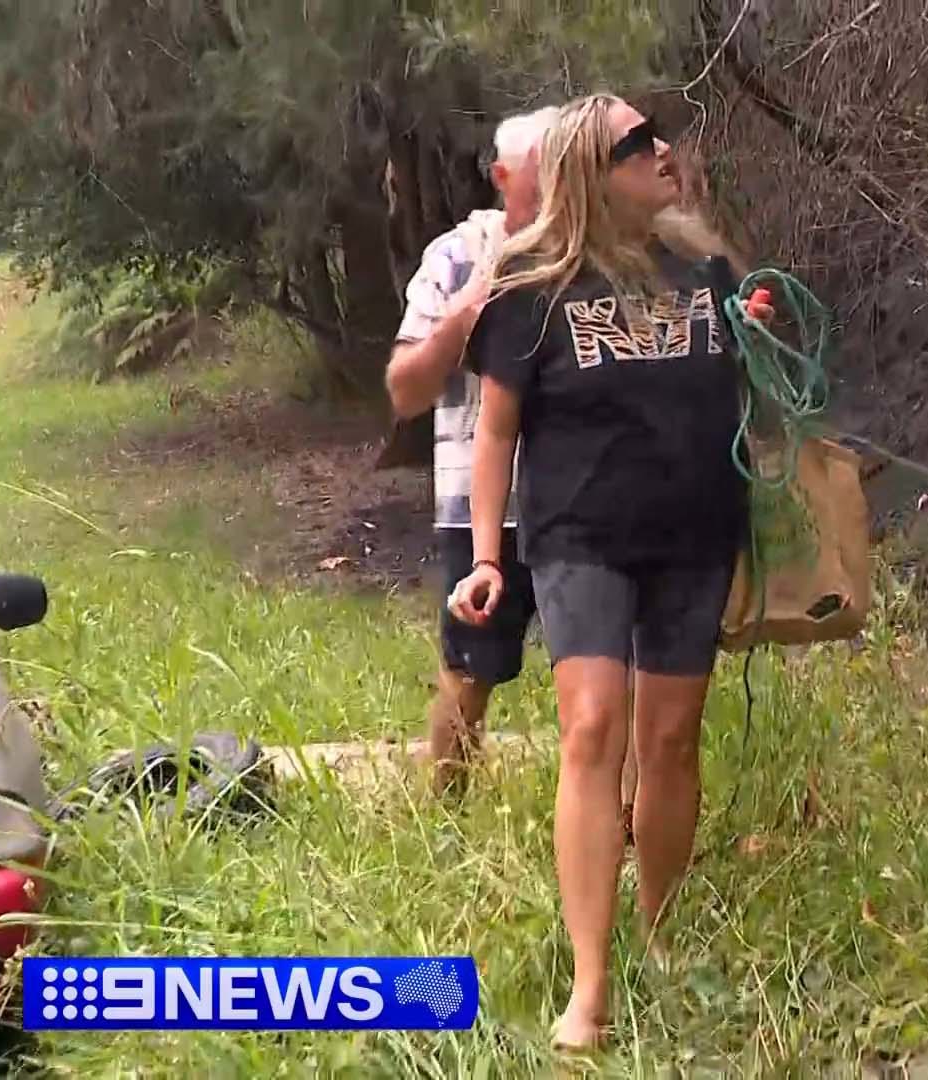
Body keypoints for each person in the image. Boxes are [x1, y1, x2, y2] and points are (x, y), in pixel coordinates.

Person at [446, 92, 774, 1052]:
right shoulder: (528, 288)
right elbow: (494, 430)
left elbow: (748, 392)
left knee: (670, 742)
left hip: (696, 535)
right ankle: (590, 987)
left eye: (659, 134)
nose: (663, 150)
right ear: (593, 167)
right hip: (578, 536)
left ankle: (660, 936)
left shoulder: (706, 268)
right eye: (639, 143)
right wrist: (485, 558)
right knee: (592, 729)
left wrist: (752, 329)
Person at [384, 105, 557, 796]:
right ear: (503, 177)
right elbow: (405, 390)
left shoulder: (602, 252)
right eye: (546, 173)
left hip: (591, 500)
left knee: (613, 670)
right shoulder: (457, 256)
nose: (562, 189)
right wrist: (468, 312)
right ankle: (447, 806)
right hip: (486, 508)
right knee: (470, 671)